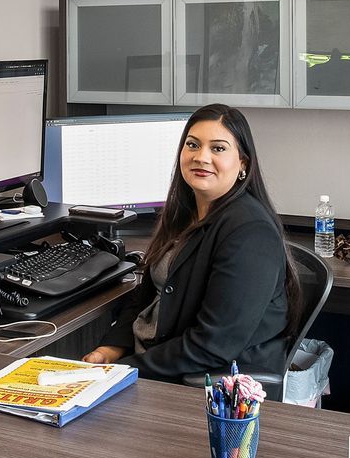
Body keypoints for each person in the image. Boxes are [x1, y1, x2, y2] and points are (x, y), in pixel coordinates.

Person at [83, 104, 296, 380]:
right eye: (192, 145)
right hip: (153, 359)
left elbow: (212, 346)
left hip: (199, 380)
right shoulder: (186, 214)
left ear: (242, 163)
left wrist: (126, 370)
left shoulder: (250, 233)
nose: (201, 157)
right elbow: (146, 297)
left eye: (218, 148)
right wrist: (111, 348)